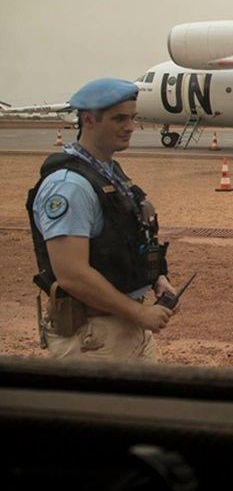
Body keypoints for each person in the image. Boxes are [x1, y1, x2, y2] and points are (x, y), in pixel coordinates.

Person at [27, 77, 177, 360]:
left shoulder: (110, 173)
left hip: (125, 326)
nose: (130, 127)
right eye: (119, 118)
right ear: (89, 120)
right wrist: (139, 313)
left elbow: (125, 239)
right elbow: (72, 274)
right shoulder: (69, 186)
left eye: (132, 117)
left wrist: (157, 279)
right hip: (92, 337)